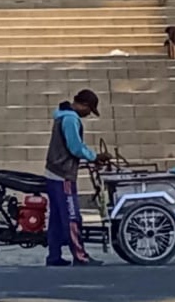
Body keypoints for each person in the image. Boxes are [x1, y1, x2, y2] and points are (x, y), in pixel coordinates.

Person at [44, 89, 108, 267]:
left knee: (56, 219)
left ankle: (54, 256)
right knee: (72, 218)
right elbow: (75, 147)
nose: (88, 115)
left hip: (53, 172)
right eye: (89, 110)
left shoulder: (61, 116)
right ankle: (80, 256)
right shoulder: (71, 119)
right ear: (84, 105)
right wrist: (95, 156)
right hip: (63, 175)